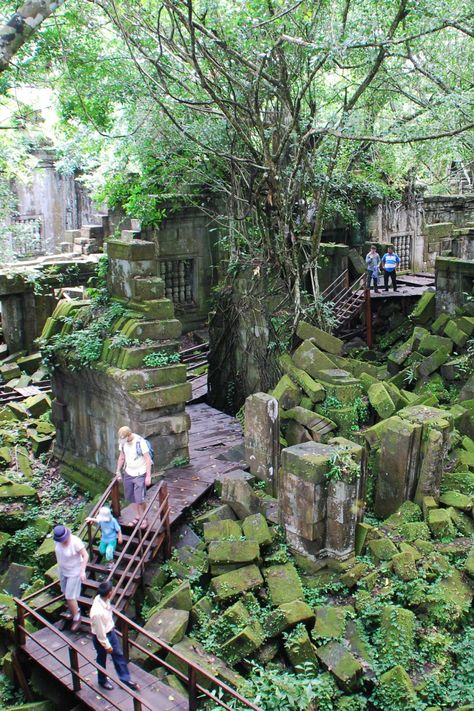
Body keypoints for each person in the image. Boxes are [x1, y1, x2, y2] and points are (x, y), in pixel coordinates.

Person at [90, 580, 139, 691]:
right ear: (109, 593)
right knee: (101, 658)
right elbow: (100, 632)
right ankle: (102, 681)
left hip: (110, 632)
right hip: (101, 637)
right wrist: (107, 645)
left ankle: (125, 679)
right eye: (111, 591)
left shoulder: (104, 600)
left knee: (118, 655)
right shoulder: (97, 612)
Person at [53, 524, 89, 632]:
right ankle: (73, 608)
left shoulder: (75, 542)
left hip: (74, 571)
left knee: (69, 596)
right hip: (63, 571)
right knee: (65, 592)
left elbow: (85, 555)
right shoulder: (57, 541)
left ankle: (77, 616)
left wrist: (82, 571)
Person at [115, 426, 152, 529]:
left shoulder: (140, 442)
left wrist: (148, 476)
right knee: (132, 497)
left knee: (139, 499)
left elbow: (147, 459)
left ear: (129, 435)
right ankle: (138, 515)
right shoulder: (123, 443)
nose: (123, 441)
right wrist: (118, 471)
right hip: (128, 472)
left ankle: (144, 518)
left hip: (140, 472)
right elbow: (122, 457)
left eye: (124, 439)